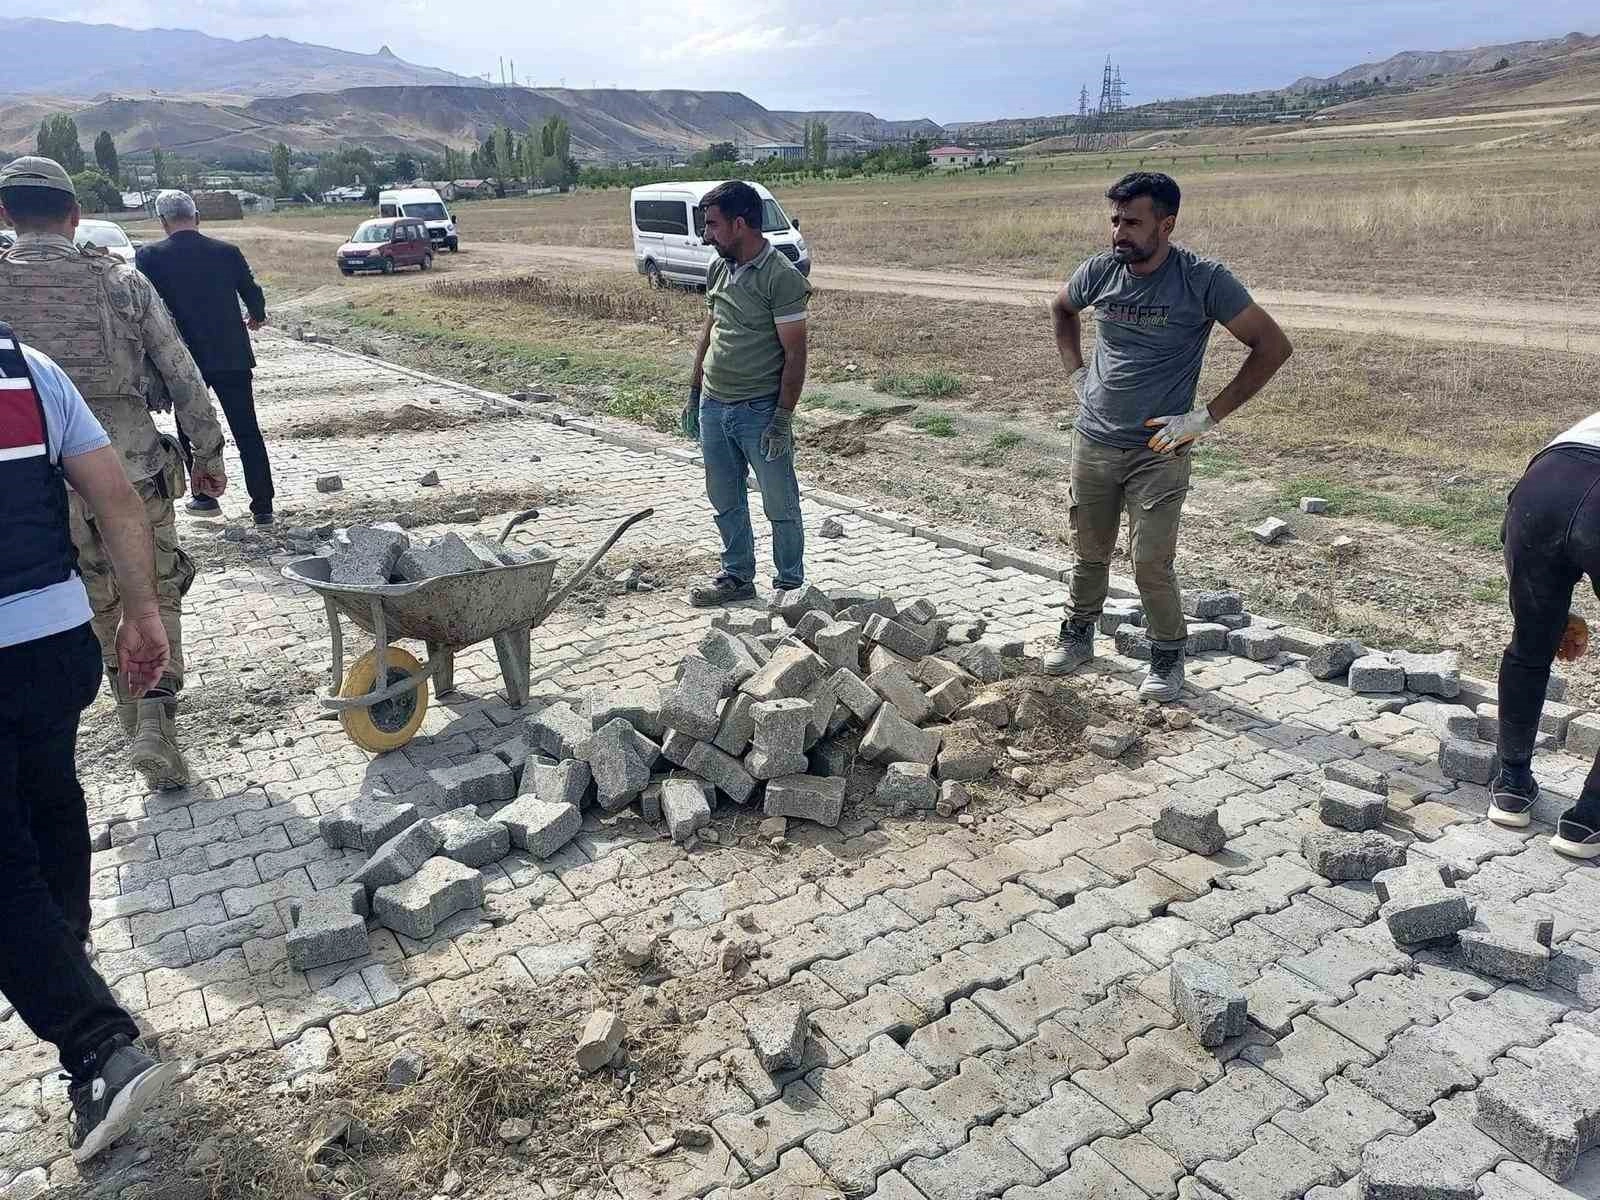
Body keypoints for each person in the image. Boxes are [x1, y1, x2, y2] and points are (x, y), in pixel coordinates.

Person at [0, 324, 181, 1162]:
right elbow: (115, 498)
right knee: (49, 799)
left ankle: (98, 1046)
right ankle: (63, 954)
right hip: (53, 641)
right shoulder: (26, 369)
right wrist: (142, 613)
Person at [0, 156, 227, 789]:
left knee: (98, 600)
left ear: (5, 214)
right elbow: (182, 373)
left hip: (40, 485)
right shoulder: (122, 283)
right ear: (74, 216)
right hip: (132, 469)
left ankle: (134, 717)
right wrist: (208, 455)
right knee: (154, 587)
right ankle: (155, 719)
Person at [1046, 171, 1293, 700]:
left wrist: (1204, 419)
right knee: (1088, 550)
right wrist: (1076, 375)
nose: (1119, 233)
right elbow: (1061, 309)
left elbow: (1273, 347)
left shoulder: (1203, 280)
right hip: (1093, 439)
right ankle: (1078, 634)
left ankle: (1166, 656)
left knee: (1150, 562)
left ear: (1167, 224)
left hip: (1159, 450)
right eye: (1115, 221)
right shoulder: (1100, 271)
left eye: (1132, 223)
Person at [681, 180, 811, 606]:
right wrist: (694, 391)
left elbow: (795, 354)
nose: (706, 235)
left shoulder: (781, 277)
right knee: (724, 498)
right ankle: (737, 577)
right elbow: (710, 331)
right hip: (714, 405)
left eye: (712, 225)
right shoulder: (718, 268)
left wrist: (782, 417)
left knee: (780, 501)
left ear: (740, 224)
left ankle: (789, 587)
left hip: (759, 411)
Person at [1486, 413, 1600, 858]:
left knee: (1530, 647)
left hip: (1545, 485)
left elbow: (1515, 534)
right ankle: (1589, 817)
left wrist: (1552, 614)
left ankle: (1511, 786)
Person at [136, 189, 275, 525]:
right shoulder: (227, 252)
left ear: (163, 222)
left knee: (191, 430)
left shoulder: (149, 256)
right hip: (232, 356)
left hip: (182, 361)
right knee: (247, 430)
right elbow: (252, 292)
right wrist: (256, 316)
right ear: (197, 217)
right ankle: (263, 507)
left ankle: (205, 497)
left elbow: (144, 307)